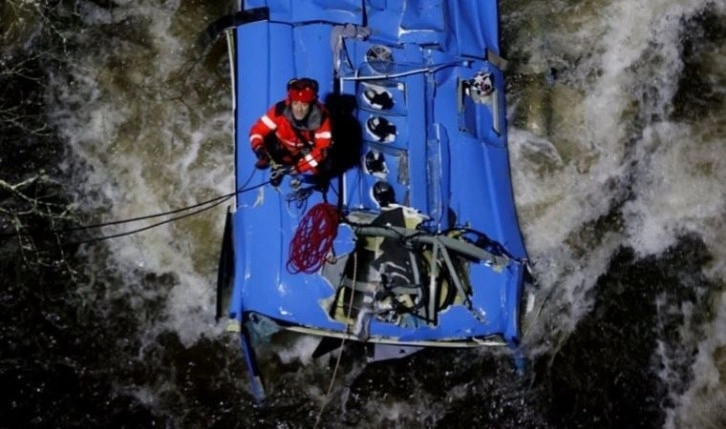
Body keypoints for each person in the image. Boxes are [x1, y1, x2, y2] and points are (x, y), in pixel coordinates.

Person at [249, 78, 333, 184]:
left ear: (311, 105)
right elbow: (257, 130)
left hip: (304, 150)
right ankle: (277, 168)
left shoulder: (322, 119)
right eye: (295, 104)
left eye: (304, 104)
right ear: (290, 102)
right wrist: (259, 148)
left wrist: (297, 168)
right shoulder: (278, 110)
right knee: (270, 146)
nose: (299, 109)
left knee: (325, 166)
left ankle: (315, 179)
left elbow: (321, 150)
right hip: (280, 147)